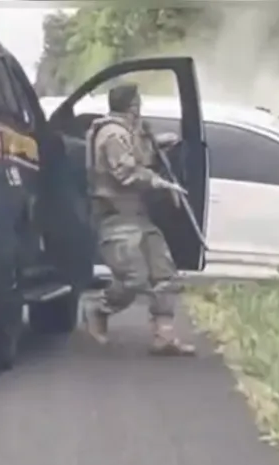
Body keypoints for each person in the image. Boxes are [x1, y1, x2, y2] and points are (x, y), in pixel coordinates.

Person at [81, 82, 196, 356]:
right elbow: (126, 173)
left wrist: (158, 143)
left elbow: (143, 157)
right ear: (131, 106)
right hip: (116, 216)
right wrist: (159, 183)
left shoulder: (133, 131)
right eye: (137, 103)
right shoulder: (111, 134)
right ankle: (99, 309)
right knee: (134, 278)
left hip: (138, 215)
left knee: (164, 273)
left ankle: (164, 336)